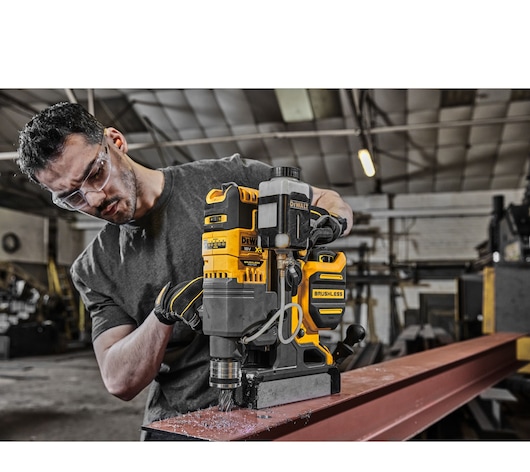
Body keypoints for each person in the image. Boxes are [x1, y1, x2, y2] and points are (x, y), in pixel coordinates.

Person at [17, 101, 354, 435]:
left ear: (116, 142)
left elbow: (329, 200)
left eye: (95, 174)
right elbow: (118, 380)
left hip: (285, 396)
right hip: (182, 422)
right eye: (72, 196)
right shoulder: (95, 267)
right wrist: (162, 314)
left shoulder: (229, 179)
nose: (93, 199)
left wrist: (323, 226)